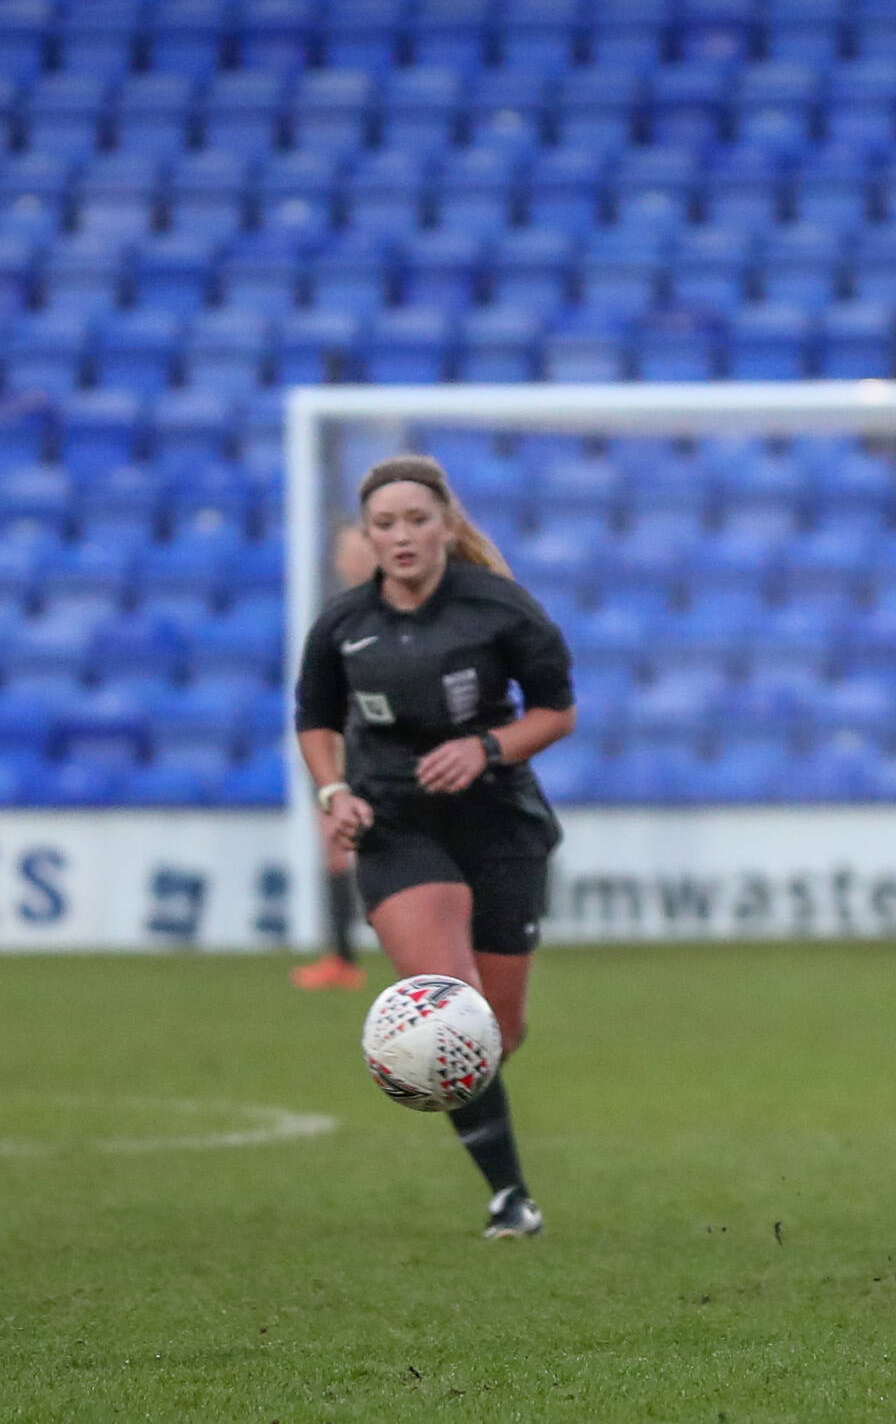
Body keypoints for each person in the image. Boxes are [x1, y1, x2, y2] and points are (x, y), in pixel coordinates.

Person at [293, 455, 577, 1239]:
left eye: (417, 520)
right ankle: (510, 1199)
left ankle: (468, 1106)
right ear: (368, 535)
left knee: (498, 1032)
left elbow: (556, 712)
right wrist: (334, 792)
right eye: (385, 524)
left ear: (447, 525)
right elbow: (313, 720)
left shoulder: (501, 608)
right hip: (396, 824)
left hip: (497, 824)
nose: (402, 536)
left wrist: (487, 748)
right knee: (452, 1002)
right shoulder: (343, 626)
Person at [292, 524, 381, 992]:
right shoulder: (337, 617)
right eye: (342, 549)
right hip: (342, 750)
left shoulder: (393, 612)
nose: (347, 558)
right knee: (335, 849)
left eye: (356, 548)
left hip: (381, 752)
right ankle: (342, 956)